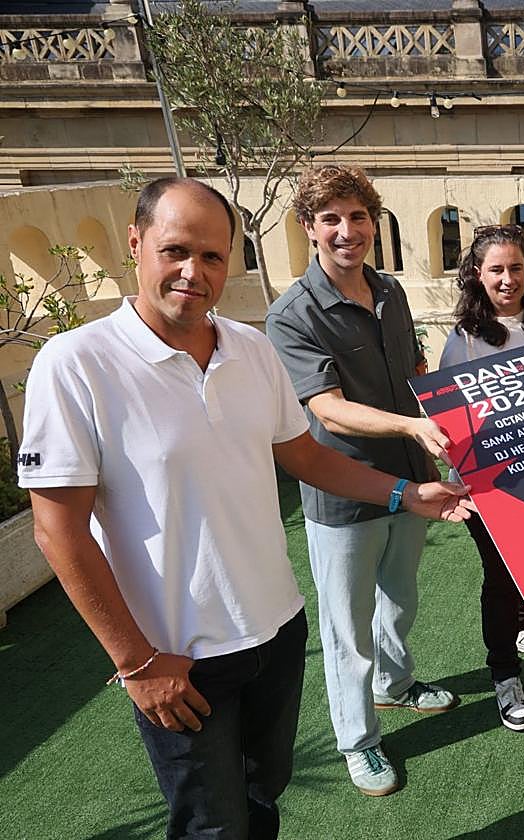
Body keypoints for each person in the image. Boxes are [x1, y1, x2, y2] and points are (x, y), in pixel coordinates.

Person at [17, 177, 470, 839]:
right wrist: (137, 663)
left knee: (263, 800)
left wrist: (407, 493)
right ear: (136, 245)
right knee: (212, 826)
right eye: (175, 251)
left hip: (277, 635)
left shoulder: (249, 348)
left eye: (211, 257)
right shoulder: (76, 363)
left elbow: (308, 457)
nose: (192, 272)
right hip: (178, 657)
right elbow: (56, 531)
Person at [266, 165, 461, 797]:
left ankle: (396, 684)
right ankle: (358, 739)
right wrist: (411, 428)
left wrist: (425, 447)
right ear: (309, 228)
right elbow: (326, 407)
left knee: (399, 597)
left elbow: (411, 370)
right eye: (331, 219)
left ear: (373, 222)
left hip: (409, 477)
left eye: (357, 216)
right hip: (343, 491)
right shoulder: (291, 315)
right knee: (345, 628)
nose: (347, 231)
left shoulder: (390, 291)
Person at [439, 224, 524, 731]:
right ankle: (505, 675)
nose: (508, 278)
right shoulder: (464, 340)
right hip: (489, 485)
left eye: (516, 268)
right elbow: (451, 417)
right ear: (478, 274)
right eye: (496, 269)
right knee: (499, 577)